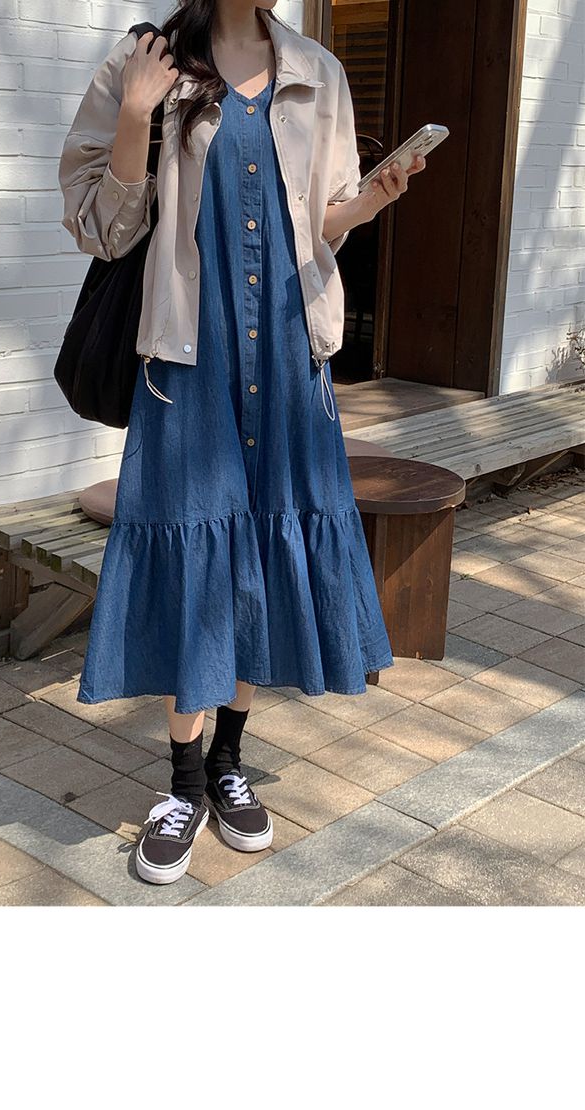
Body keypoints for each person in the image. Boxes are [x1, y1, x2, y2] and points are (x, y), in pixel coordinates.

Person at [58, 0, 425, 886]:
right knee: (198, 556)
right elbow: (101, 228)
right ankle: (183, 784)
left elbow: (318, 222)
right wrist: (139, 113)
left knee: (259, 550)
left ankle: (229, 762)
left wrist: (370, 200)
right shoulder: (146, 62)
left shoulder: (318, 72)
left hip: (290, 363)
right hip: (188, 365)